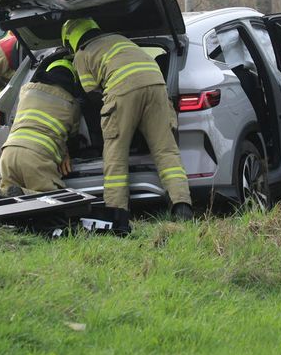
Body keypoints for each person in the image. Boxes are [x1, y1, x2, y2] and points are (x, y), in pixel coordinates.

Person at [63, 17, 193, 234]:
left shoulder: (83, 53)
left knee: (116, 154)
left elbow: (90, 94)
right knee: (166, 150)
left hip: (122, 90)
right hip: (156, 85)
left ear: (71, 39)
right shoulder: (120, 40)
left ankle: (117, 215)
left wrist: (111, 119)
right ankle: (182, 206)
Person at [0, 57, 83, 197]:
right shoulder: (72, 104)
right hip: (37, 158)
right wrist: (65, 153)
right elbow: (72, 138)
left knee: (7, 198)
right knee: (49, 198)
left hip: (8, 153)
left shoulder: (26, 91)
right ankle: (23, 193)